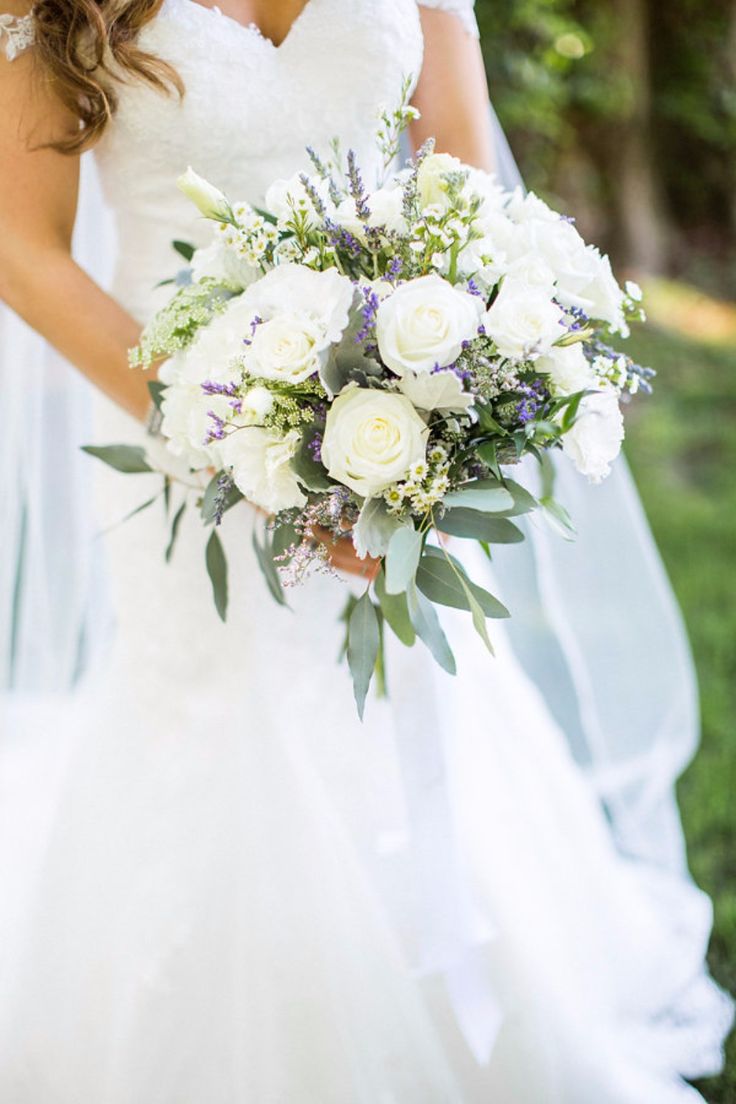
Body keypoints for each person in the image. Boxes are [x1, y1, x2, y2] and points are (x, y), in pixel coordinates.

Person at [0, 1, 731, 1100]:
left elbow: (462, 186)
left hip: (398, 404)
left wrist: (428, 411)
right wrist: (240, 439)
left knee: (414, 707)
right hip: (172, 427)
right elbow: (22, 247)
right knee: (224, 716)